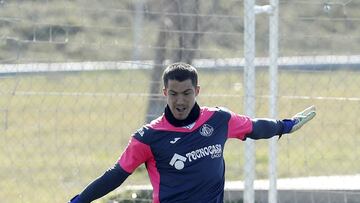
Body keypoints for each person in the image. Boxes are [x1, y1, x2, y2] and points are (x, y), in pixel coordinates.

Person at [69, 62, 316, 203]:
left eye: (186, 93)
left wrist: (286, 125)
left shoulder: (219, 119)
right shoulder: (148, 137)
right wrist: (79, 201)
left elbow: (254, 127)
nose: (180, 101)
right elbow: (115, 175)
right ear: (165, 93)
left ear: (196, 91)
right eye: (174, 94)